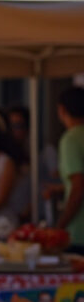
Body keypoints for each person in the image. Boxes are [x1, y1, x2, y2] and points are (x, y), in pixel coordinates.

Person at [58, 86, 84, 254]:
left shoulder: (71, 139)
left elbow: (78, 186)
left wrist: (60, 225)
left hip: (78, 232)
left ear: (62, 110)